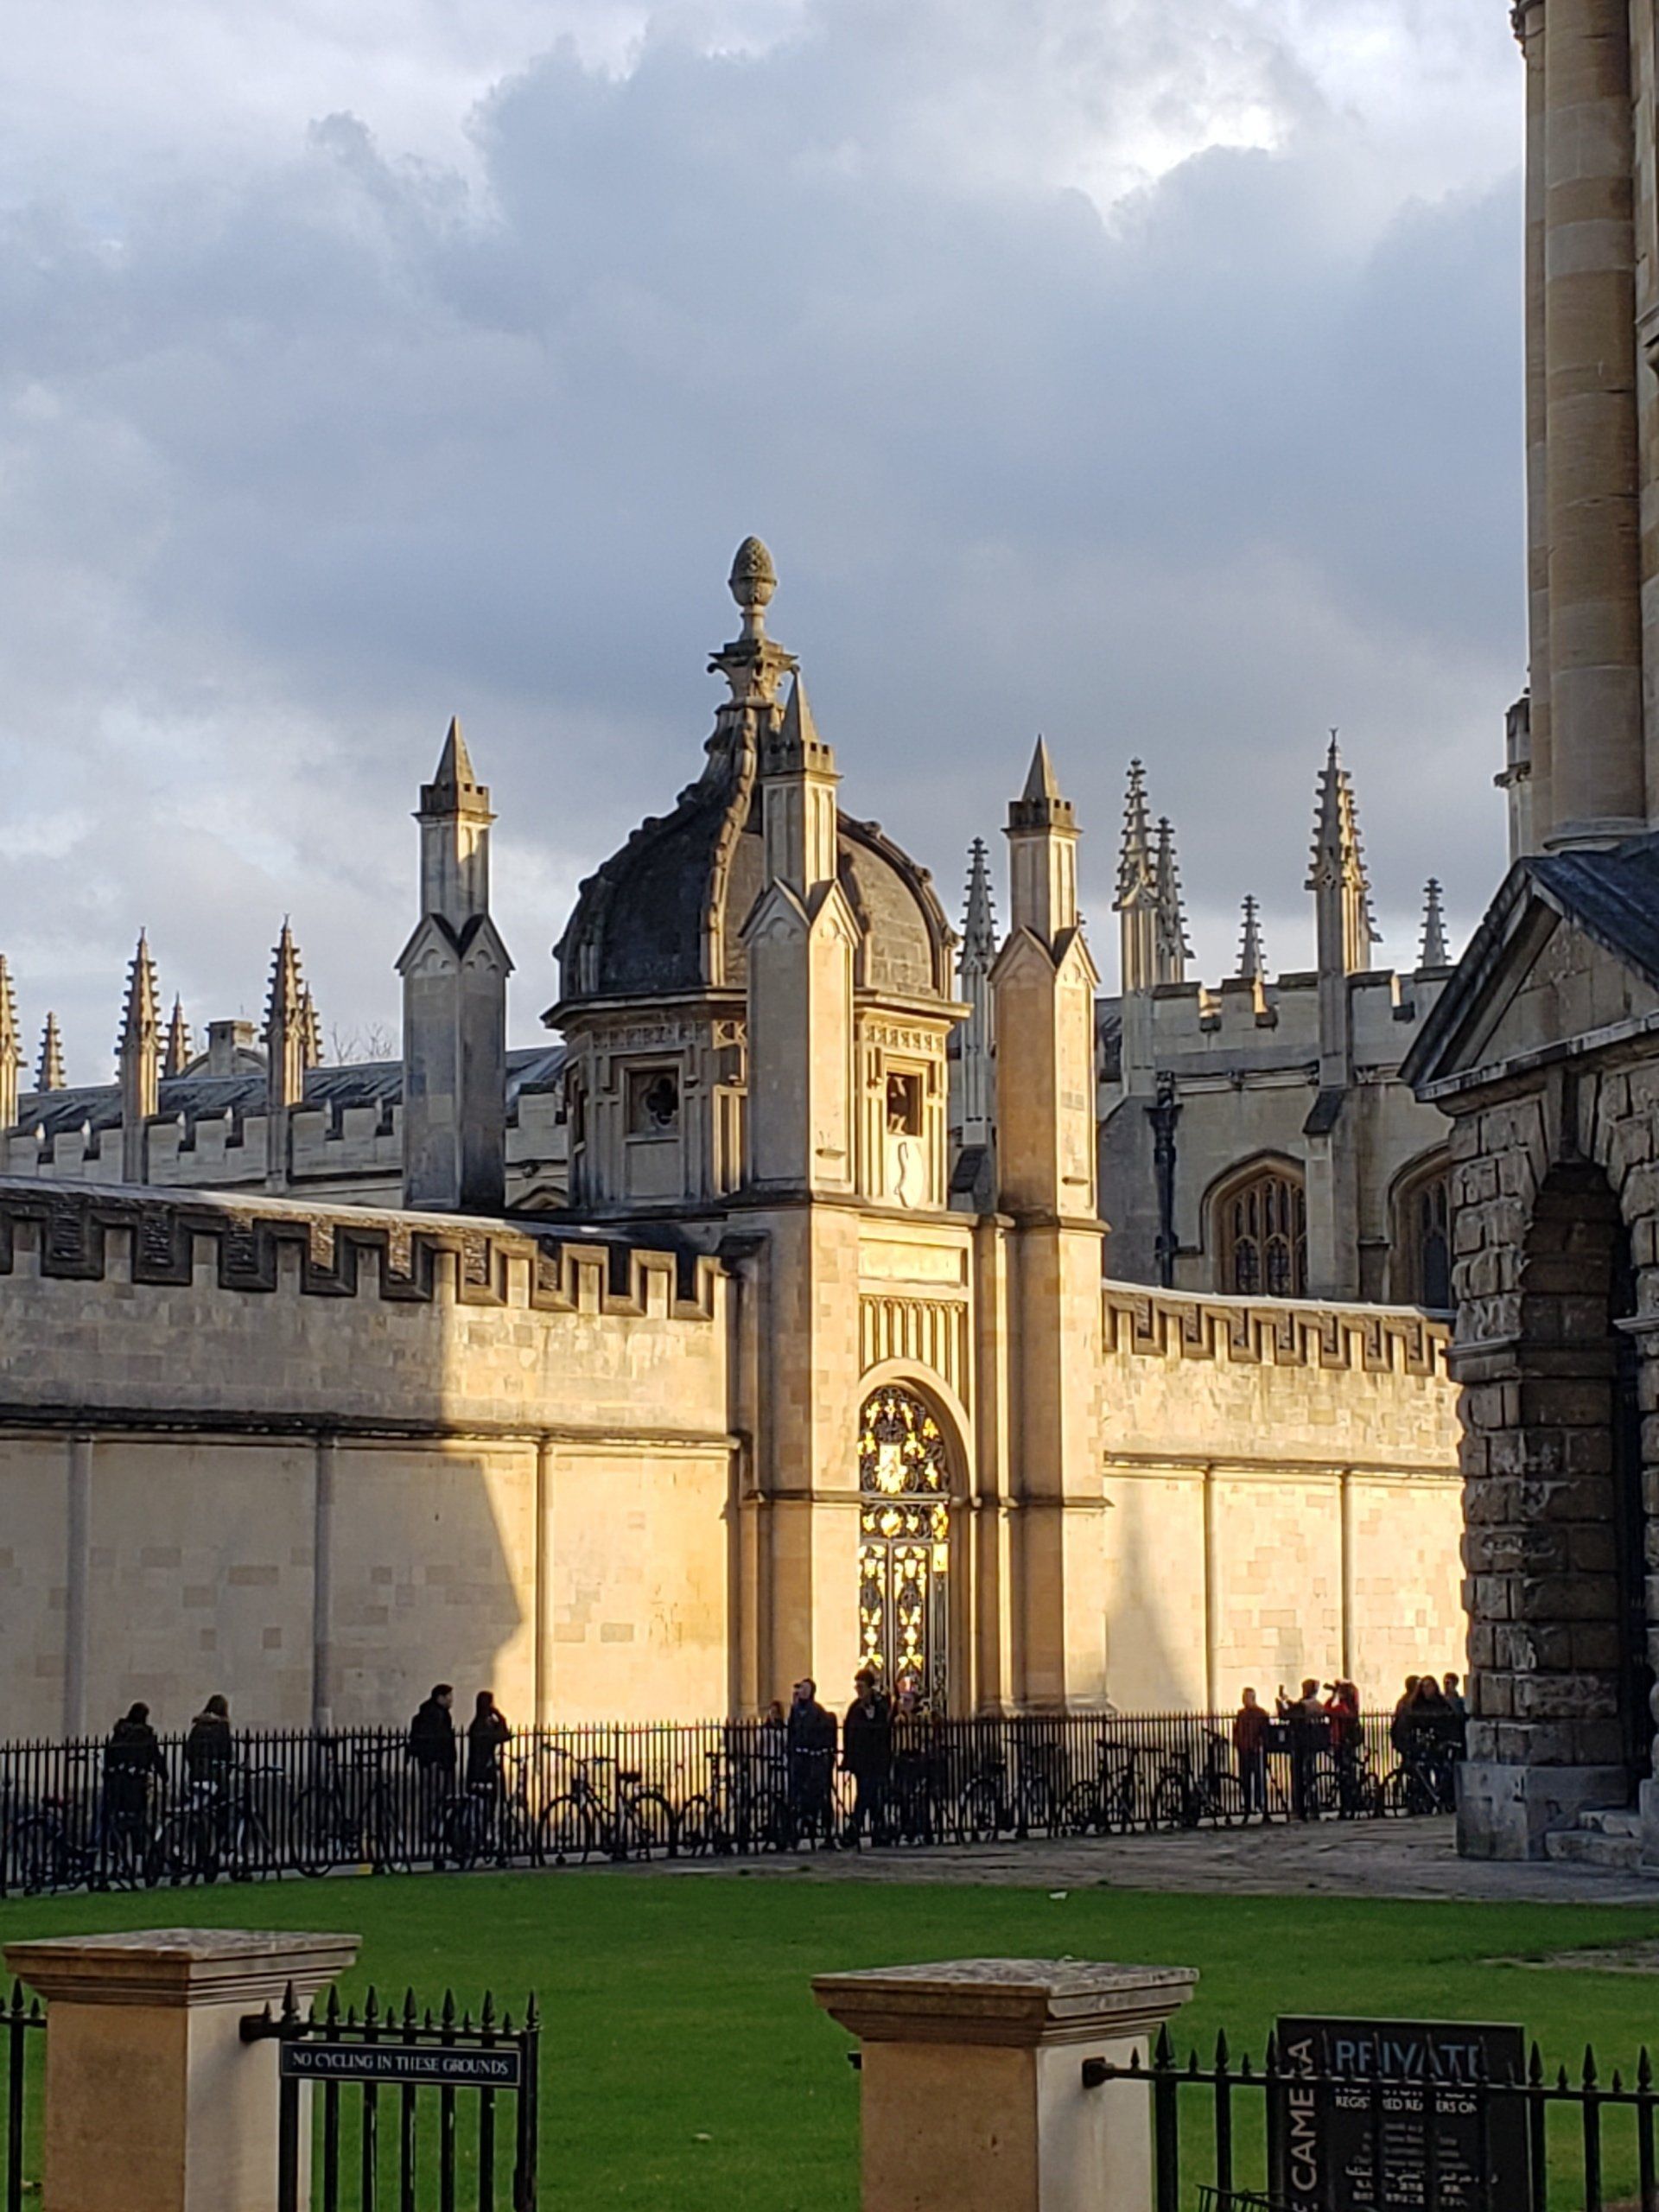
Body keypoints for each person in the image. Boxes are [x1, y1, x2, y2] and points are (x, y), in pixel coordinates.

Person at [842, 1669, 893, 1847]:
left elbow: (886, 1732)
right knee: (866, 1795)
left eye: (861, 1686)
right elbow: (849, 1735)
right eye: (857, 1686)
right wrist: (848, 1761)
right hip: (862, 1762)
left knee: (870, 1796)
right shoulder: (855, 1709)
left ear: (870, 1687)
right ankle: (875, 1829)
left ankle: (860, 1830)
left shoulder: (881, 1707)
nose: (858, 1690)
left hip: (877, 1760)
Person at [785, 1678, 836, 1842]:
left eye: (806, 1689)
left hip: (813, 1759)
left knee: (817, 1794)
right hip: (799, 1757)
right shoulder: (795, 1710)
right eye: (801, 1689)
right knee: (797, 1793)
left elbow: (821, 1733)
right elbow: (791, 1731)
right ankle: (797, 1826)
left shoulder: (817, 1711)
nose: (802, 1692)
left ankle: (821, 1826)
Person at [103, 1701, 164, 1833]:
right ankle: (138, 1848)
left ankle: (116, 1846)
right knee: (138, 1815)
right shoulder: (145, 1734)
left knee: (120, 1814)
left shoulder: (120, 1731)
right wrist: (164, 1775)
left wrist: (109, 1772)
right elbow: (155, 1756)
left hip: (119, 1779)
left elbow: (110, 1753)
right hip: (138, 1779)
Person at [1276, 1678, 1325, 1821]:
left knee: (1299, 1778)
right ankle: (1314, 1807)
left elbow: (1286, 1715)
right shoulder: (1317, 1704)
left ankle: (1300, 1809)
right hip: (1313, 1745)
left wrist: (1280, 1703)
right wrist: (1288, 1701)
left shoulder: (1303, 1706)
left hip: (1300, 1744)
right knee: (1311, 1777)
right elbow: (1297, 1709)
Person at [409, 1683, 457, 1789]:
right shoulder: (434, 1715)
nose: (451, 1701)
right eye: (449, 1697)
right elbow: (435, 1738)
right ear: (440, 1698)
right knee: (435, 1790)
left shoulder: (441, 1713)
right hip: (435, 1761)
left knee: (435, 1791)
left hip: (436, 1761)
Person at [1232, 1687, 1270, 1819]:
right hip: (1244, 1749)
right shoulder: (1241, 1713)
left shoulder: (1261, 1713)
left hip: (1255, 1750)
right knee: (1245, 1779)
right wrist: (1237, 1743)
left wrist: (1259, 1744)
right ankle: (1247, 1805)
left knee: (1259, 1778)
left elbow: (1265, 1732)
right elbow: (1236, 1730)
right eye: (1243, 1697)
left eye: (1246, 1697)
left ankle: (1260, 1804)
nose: (1243, 1700)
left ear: (1253, 1698)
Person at [184, 1694, 233, 1789]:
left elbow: (189, 1749)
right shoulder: (222, 1727)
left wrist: (194, 1765)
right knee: (218, 1801)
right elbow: (226, 1751)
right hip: (216, 1771)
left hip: (197, 1771)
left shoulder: (198, 1726)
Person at [465, 1691, 510, 1795]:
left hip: (487, 1764)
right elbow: (501, 1736)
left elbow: (504, 1734)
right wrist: (499, 1715)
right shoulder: (481, 1724)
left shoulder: (487, 1722)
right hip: (483, 1767)